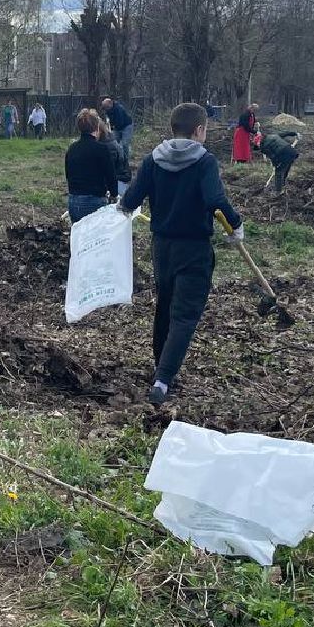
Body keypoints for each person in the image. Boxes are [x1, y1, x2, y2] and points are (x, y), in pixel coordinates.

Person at [119, 103, 243, 407]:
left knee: (165, 307)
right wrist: (236, 224)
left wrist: (120, 211)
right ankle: (162, 379)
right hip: (194, 248)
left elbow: (130, 200)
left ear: (173, 128)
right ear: (199, 130)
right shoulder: (205, 162)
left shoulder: (153, 160)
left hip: (162, 247)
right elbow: (215, 199)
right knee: (185, 315)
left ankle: (160, 366)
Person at [64, 108, 116, 223]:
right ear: (96, 127)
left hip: (74, 200)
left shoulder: (72, 149)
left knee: (79, 237)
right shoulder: (102, 149)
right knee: (96, 237)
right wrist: (114, 194)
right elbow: (110, 176)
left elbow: (68, 174)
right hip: (95, 200)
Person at [259, 129, 300, 194]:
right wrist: (294, 133)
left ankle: (278, 192)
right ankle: (283, 184)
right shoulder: (274, 136)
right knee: (285, 168)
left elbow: (272, 156)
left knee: (278, 172)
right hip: (292, 152)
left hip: (283, 155)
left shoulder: (263, 147)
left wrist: (275, 165)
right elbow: (285, 133)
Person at [99, 117, 132, 195]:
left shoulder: (108, 146)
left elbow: (110, 172)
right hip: (118, 180)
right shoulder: (109, 141)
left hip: (119, 181)